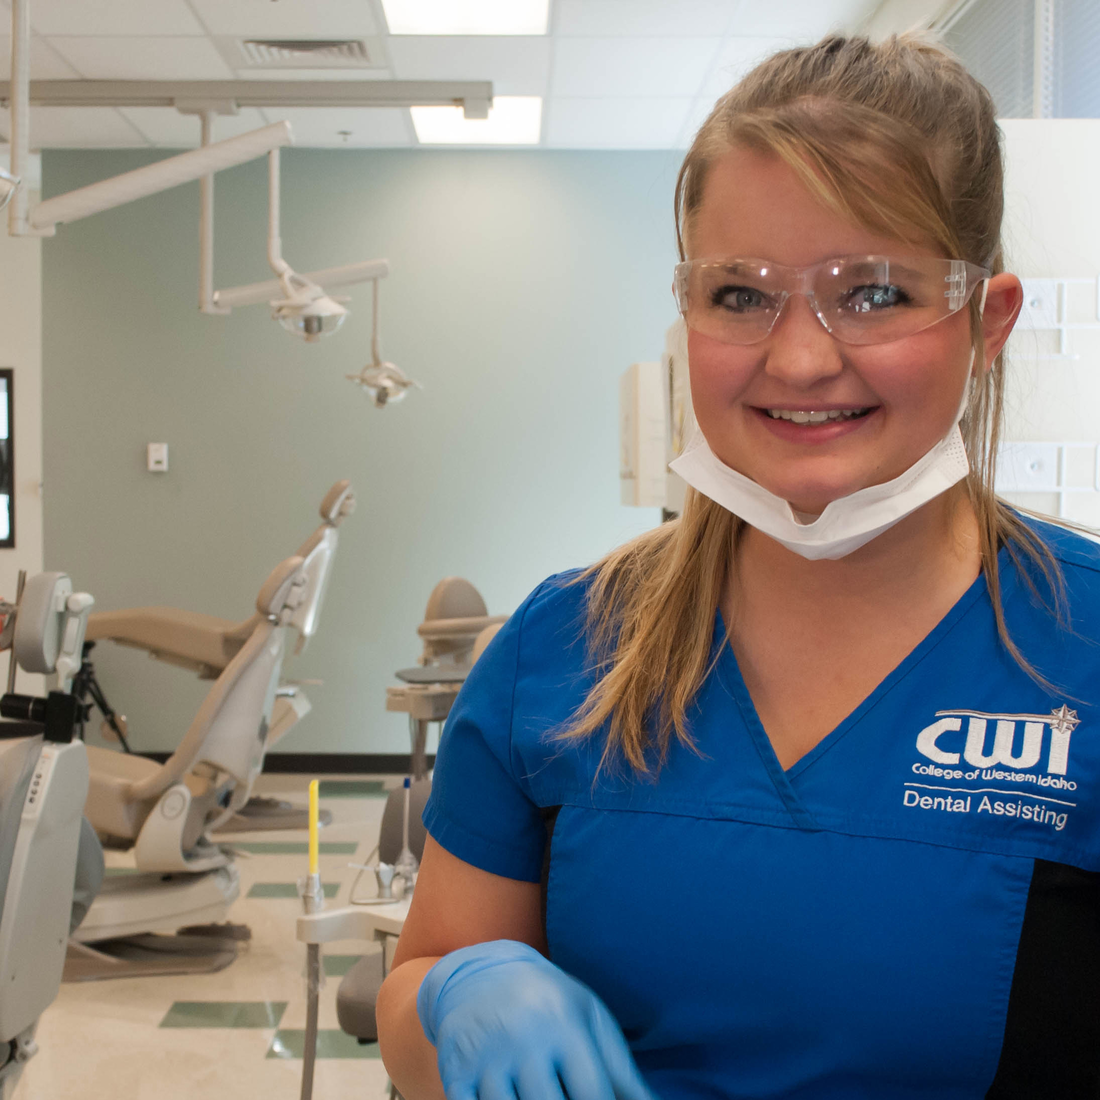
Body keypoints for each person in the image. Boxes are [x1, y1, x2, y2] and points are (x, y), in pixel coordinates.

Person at [376, 33, 1100, 1100]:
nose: (799, 356)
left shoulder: (1076, 646)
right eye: (737, 294)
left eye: (875, 292)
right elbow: (414, 1004)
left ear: (985, 321)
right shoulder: (561, 645)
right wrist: (456, 987)